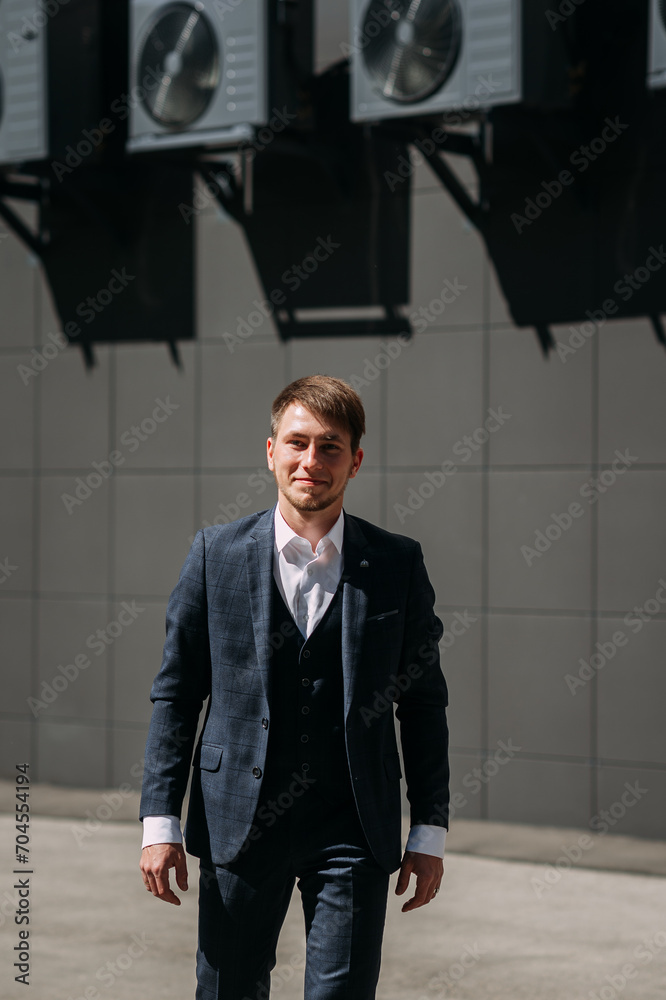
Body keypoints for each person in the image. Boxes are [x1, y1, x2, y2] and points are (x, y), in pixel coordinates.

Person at [139, 374, 450, 1000]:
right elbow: (177, 692)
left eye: (331, 446)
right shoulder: (214, 555)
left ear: (356, 460)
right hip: (238, 822)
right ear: (271, 450)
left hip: (352, 827)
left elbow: (421, 703)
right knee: (227, 989)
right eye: (298, 442)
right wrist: (159, 821)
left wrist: (429, 831)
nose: (312, 461)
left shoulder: (396, 563)